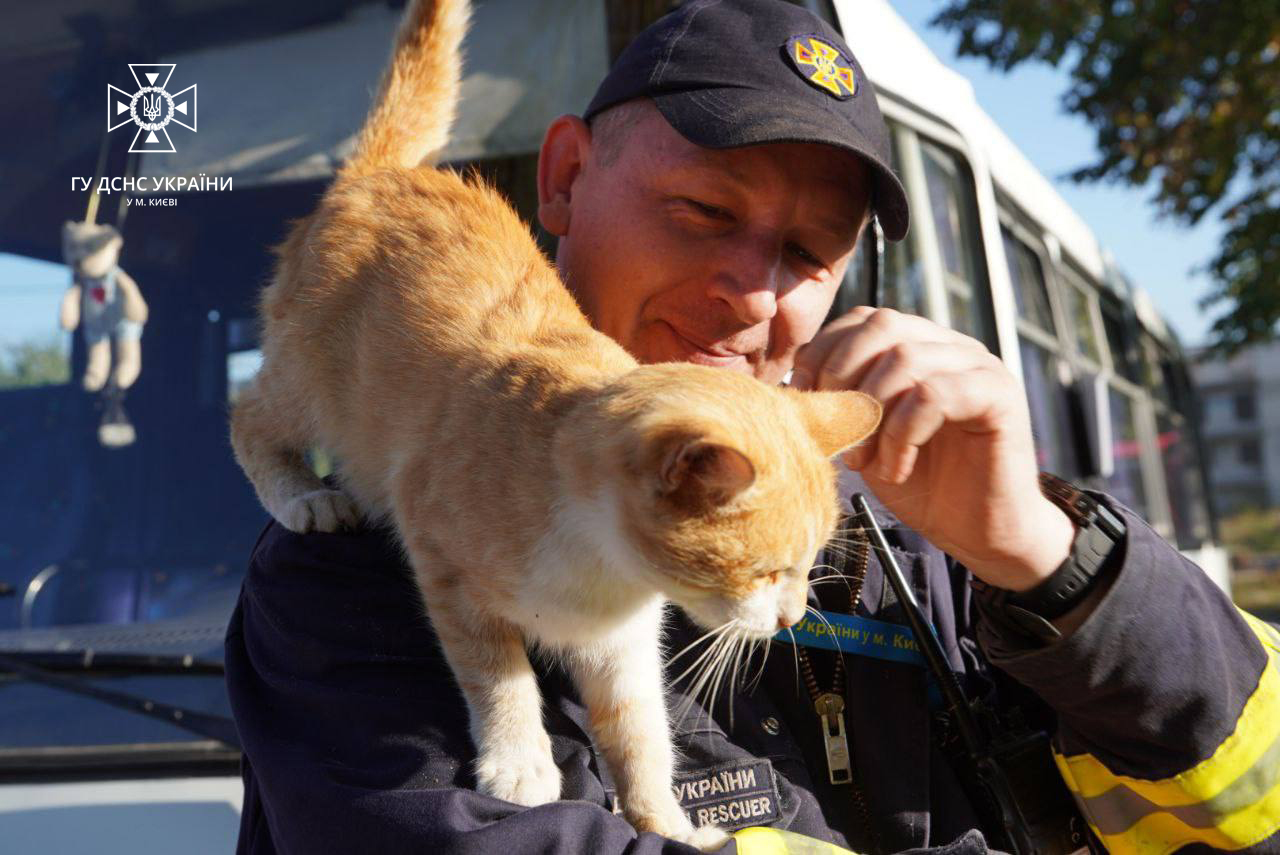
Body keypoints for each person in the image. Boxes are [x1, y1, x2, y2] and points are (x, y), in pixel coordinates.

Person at [224, 1, 1280, 853]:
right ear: (563, 180)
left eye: (811, 254)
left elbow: (1250, 811)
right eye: (702, 213)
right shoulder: (355, 572)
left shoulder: (922, 529)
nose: (750, 293)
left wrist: (1047, 559)